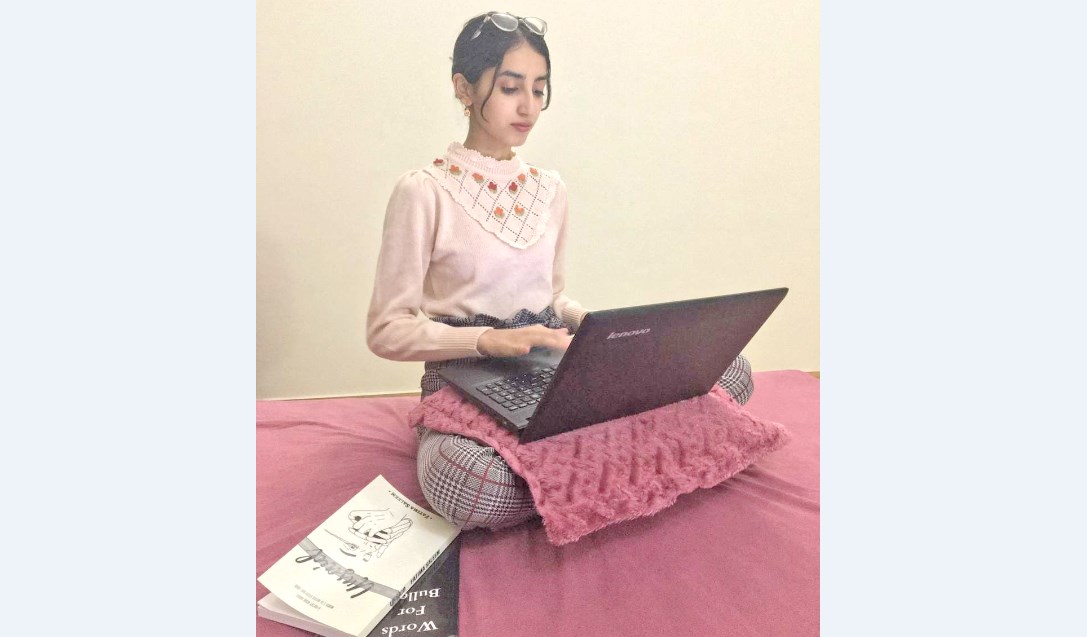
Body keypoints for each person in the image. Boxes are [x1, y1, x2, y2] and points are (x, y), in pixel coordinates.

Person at [366, 12, 754, 530]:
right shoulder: (423, 191)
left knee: (734, 371)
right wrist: (489, 340)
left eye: (539, 88)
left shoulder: (549, 189)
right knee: (467, 486)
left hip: (551, 367)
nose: (528, 106)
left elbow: (553, 296)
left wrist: (596, 329)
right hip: (465, 380)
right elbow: (387, 330)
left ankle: (575, 473)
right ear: (464, 87)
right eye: (510, 88)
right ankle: (624, 465)